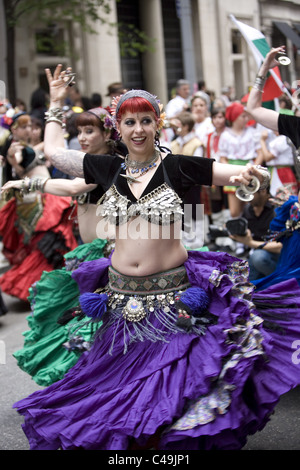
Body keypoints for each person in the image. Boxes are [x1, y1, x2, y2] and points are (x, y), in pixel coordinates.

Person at [12, 64, 300, 451]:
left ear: (157, 123)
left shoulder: (178, 166)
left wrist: (251, 173)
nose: (138, 130)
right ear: (118, 128)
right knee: (117, 393)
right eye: (129, 122)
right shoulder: (107, 167)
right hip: (120, 300)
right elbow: (51, 152)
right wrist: (57, 103)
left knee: (169, 392)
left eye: (145, 120)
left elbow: (233, 173)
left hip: (171, 300)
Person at [1, 106, 121, 385]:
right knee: (77, 321)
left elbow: (71, 189)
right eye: (79, 131)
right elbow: (52, 150)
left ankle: (103, 382)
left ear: (107, 133)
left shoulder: (108, 162)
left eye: (90, 131)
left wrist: (25, 183)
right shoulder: (88, 161)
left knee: (97, 324)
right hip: (91, 254)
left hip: (112, 256)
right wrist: (55, 102)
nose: (82, 137)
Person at [0, 111, 77, 302]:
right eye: (23, 127)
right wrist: (15, 158)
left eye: (30, 126)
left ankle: (55, 285)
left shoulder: (30, 146)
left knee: (56, 237)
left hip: (47, 193)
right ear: (14, 130)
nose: (28, 130)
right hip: (37, 197)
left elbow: (48, 146)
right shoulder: (15, 149)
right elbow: (17, 166)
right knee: (48, 238)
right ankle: (40, 286)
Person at [219, 101, 261, 218]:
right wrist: (228, 170)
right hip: (233, 169)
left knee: (251, 207)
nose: (246, 118)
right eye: (243, 116)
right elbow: (223, 157)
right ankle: (238, 231)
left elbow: (260, 153)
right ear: (235, 117)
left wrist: (254, 168)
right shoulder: (225, 135)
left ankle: (251, 231)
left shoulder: (252, 133)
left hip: (249, 169)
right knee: (234, 211)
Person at [229, 186, 281, 281]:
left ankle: (282, 280)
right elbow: (246, 231)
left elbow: (280, 246)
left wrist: (250, 243)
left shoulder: (277, 209)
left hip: (277, 256)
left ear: (263, 191)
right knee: (241, 282)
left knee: (258, 257)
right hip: (256, 254)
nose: (248, 197)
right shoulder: (248, 208)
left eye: (251, 193)